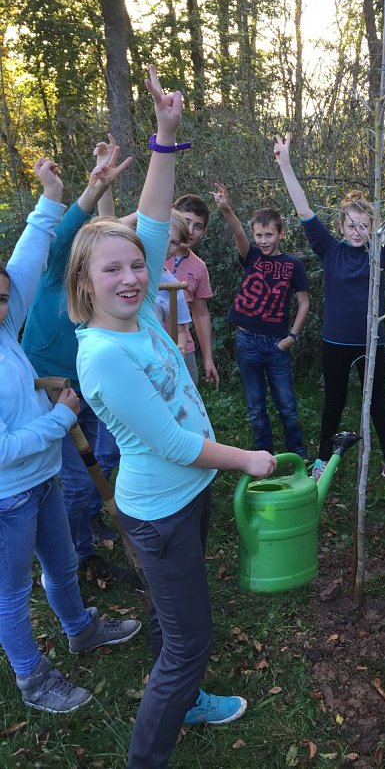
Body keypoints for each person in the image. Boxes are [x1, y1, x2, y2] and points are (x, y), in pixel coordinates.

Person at [66, 67, 277, 769]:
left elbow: (152, 216)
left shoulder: (134, 311)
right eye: (111, 271)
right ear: (84, 284)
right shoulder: (102, 356)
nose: (130, 277)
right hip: (158, 509)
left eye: (135, 265)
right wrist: (246, 457)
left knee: (167, 616)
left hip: (185, 500)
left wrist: (164, 136)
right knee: (189, 647)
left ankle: (183, 701)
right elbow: (172, 443)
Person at [0, 156, 141, 715]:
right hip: (7, 497)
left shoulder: (8, 328)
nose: (2, 308)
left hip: (42, 482)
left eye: (3, 298)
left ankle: (80, 629)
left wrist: (53, 197)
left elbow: (31, 259)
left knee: (60, 567)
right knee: (11, 595)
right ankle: (32, 678)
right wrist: (60, 419)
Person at [274, 132, 385, 487]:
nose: (358, 230)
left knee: (377, 403)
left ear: (373, 228)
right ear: (341, 226)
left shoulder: (381, 253)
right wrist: (285, 164)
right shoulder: (330, 250)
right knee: (335, 401)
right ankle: (324, 458)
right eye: (351, 225)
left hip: (372, 342)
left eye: (364, 225)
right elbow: (304, 209)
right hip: (336, 342)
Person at [21, 137, 130, 575]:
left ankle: (80, 537)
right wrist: (92, 188)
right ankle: (74, 558)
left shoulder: (97, 290)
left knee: (94, 467)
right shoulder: (51, 277)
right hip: (51, 389)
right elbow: (65, 230)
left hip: (89, 389)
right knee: (74, 478)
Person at [213, 182, 310, 457]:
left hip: (277, 344)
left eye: (269, 235)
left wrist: (292, 336)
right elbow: (236, 231)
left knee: (286, 404)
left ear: (280, 233)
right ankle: (263, 454)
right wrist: (225, 208)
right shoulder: (251, 256)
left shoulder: (293, 264)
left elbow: (304, 303)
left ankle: (298, 452)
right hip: (246, 341)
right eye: (259, 235)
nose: (263, 240)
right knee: (256, 405)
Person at [166, 193, 219, 387]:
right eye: (185, 221)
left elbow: (201, 314)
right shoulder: (151, 253)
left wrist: (207, 359)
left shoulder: (199, 267)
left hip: (182, 348)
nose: (190, 231)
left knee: (188, 407)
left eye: (198, 226)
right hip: (148, 344)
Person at [155, 209, 192, 355]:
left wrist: (180, 346)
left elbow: (181, 329)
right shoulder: (127, 270)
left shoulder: (174, 285)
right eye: (164, 236)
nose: (167, 245)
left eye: (174, 242)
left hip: (155, 355)